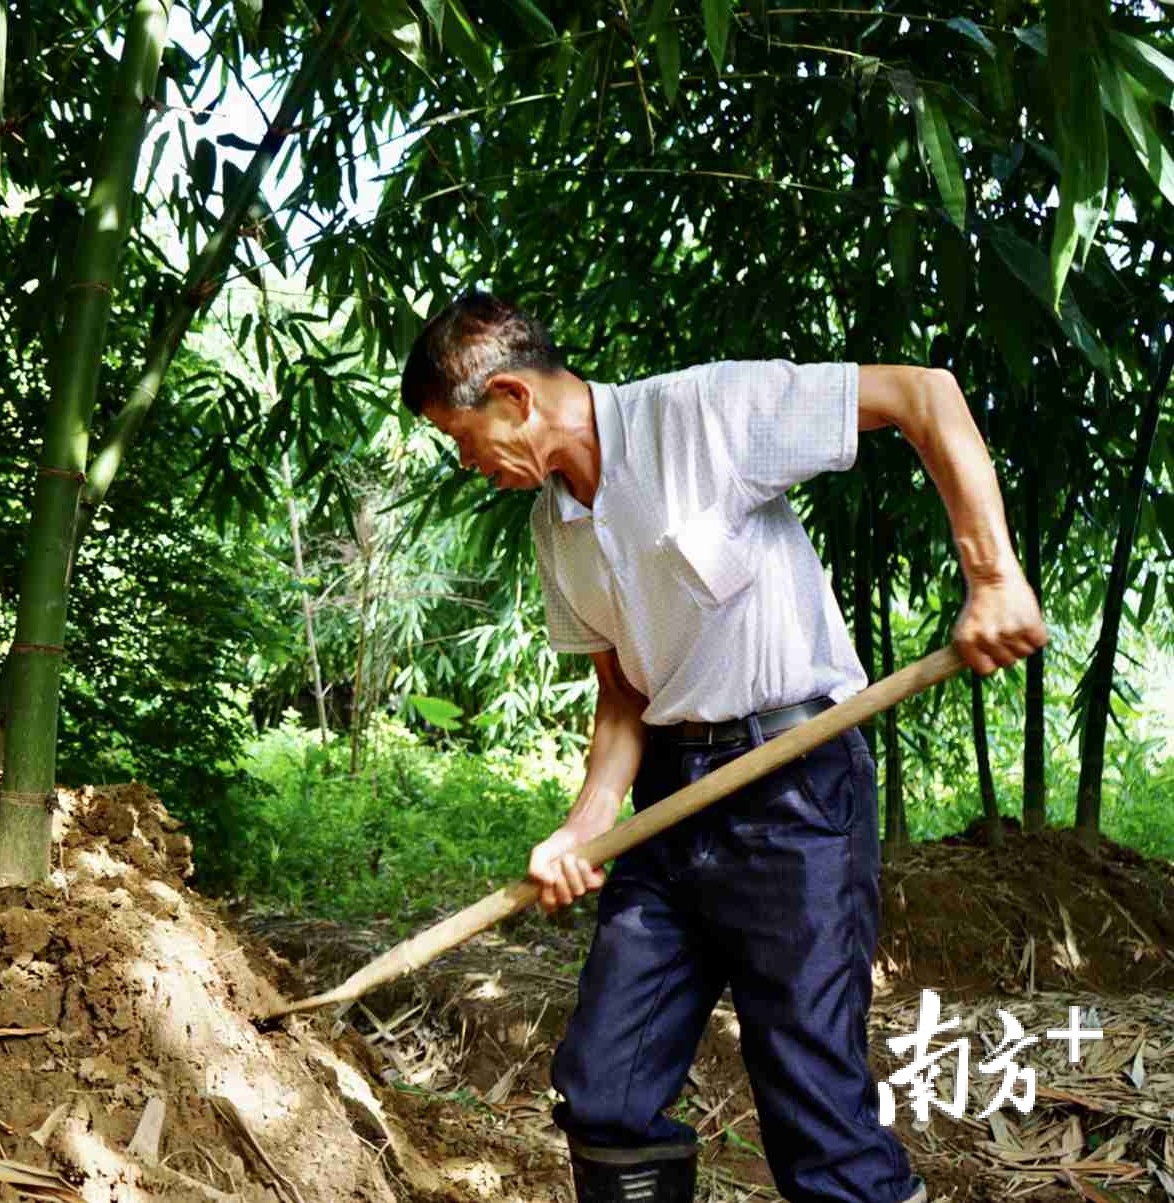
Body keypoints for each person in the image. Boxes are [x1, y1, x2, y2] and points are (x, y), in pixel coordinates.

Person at [400, 292, 1047, 1203]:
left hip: (795, 790)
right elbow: (623, 692)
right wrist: (583, 824)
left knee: (815, 1118)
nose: (470, 465)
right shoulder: (556, 523)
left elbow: (925, 395)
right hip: (672, 799)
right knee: (603, 1091)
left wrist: (992, 575)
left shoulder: (701, 415)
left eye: (462, 437)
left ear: (511, 394)